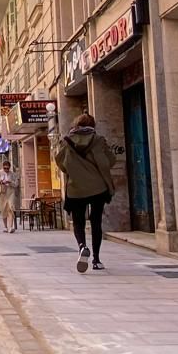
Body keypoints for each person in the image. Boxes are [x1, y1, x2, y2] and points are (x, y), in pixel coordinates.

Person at [53, 112, 115, 273]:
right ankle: (96, 260)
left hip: (76, 188)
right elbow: (110, 161)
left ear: (76, 124)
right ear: (92, 125)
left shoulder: (67, 141)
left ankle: (82, 246)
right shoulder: (99, 140)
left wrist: (76, 170)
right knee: (96, 222)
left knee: (78, 222)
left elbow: (61, 163)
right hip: (98, 188)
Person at [0, 160, 18, 233]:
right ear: (3, 167)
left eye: (8, 168)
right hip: (2, 193)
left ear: (10, 167)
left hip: (11, 192)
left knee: (11, 208)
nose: (6, 170)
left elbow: (16, 184)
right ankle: (5, 227)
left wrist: (10, 182)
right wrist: (0, 182)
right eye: (5, 168)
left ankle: (10, 227)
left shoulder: (13, 174)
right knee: (3, 209)